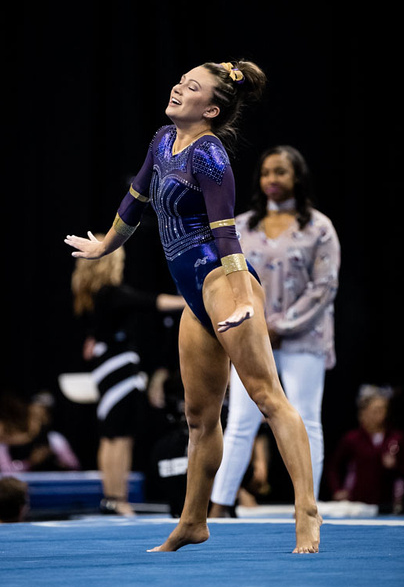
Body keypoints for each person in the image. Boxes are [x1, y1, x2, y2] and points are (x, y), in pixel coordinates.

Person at [65, 60, 322, 553]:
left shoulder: (211, 156)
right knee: (200, 417)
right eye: (181, 81)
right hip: (194, 295)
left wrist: (245, 295)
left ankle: (306, 511)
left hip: (223, 280)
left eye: (192, 87)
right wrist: (104, 246)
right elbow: (137, 198)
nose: (178, 88)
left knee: (269, 399)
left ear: (212, 108)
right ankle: (193, 521)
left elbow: (226, 230)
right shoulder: (163, 140)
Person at [209, 145, 340, 515]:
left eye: (280, 172)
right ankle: (219, 506)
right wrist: (256, 326)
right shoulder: (241, 226)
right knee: (239, 422)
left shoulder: (318, 227)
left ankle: (306, 505)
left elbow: (324, 286)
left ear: (296, 177)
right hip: (251, 334)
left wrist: (281, 326)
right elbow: (226, 278)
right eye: (266, 172)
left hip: (304, 338)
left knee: (305, 417)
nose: (272, 180)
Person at [71, 237, 184, 516]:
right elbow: (152, 302)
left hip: (103, 366)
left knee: (110, 434)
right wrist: (189, 300)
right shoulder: (111, 292)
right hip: (119, 367)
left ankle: (110, 498)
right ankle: (118, 498)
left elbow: (93, 335)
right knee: (120, 435)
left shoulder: (88, 293)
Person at [327, 385, 404, 512]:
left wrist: (395, 465)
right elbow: (334, 467)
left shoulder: (396, 438)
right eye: (375, 410)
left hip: (387, 504)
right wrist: (337, 490)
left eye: (383, 409)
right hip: (357, 505)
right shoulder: (352, 439)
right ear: (363, 413)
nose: (379, 414)